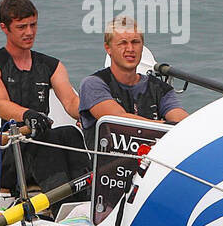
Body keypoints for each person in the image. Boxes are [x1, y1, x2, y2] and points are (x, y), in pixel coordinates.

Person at [0, 0, 90, 195]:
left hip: (35, 143)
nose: (29, 32)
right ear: (4, 28)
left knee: (70, 134)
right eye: (21, 27)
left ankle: (86, 202)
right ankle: (60, 207)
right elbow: (1, 104)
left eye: (33, 25)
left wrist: (90, 113)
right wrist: (28, 115)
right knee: (46, 144)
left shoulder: (51, 66)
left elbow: (71, 101)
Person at [79, 15, 189, 146]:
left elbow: (182, 122)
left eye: (135, 42)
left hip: (153, 163)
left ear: (142, 46)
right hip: (107, 164)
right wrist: (167, 126)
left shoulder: (161, 89)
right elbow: (117, 121)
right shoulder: (93, 84)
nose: (130, 49)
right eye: (122, 43)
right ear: (108, 48)